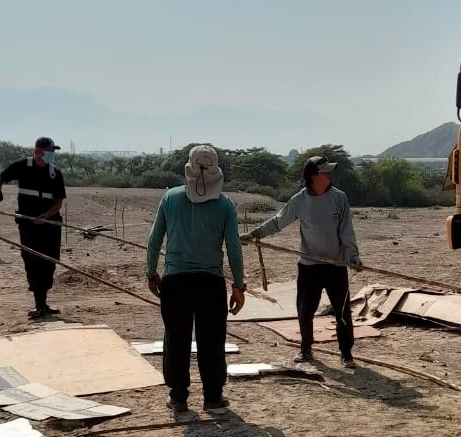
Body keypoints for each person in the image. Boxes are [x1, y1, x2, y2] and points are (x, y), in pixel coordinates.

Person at [146, 145, 246, 415]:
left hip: (175, 282)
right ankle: (213, 397)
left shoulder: (170, 198)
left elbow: (154, 241)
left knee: (176, 339)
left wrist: (151, 272)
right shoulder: (225, 204)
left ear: (189, 166)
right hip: (210, 283)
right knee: (212, 341)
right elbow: (234, 248)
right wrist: (239, 285)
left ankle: (178, 397)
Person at [243, 155, 362, 369]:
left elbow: (347, 232)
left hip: (336, 265)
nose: (329, 175)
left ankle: (346, 353)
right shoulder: (299, 200)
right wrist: (256, 234)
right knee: (305, 310)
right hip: (308, 265)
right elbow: (279, 221)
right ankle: (306, 348)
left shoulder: (339, 198)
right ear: (313, 176)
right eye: (325, 172)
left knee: (342, 311)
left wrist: (353, 256)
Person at [0, 137, 66, 318]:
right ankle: (38, 305)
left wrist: (46, 216)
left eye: (53, 151)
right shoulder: (22, 166)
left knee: (49, 261)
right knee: (32, 261)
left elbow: (58, 202)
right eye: (49, 151)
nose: (52, 154)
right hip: (28, 225)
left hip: (50, 224)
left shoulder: (55, 173)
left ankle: (44, 303)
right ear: (38, 151)